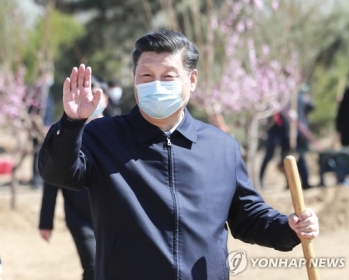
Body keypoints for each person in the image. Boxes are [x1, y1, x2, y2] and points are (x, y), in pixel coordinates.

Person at [38, 30, 319, 279]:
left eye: (168, 76)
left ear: (192, 79)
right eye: (146, 75)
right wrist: (72, 124)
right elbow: (57, 172)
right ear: (134, 79)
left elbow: (247, 217)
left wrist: (288, 227)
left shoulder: (221, 147)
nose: (156, 85)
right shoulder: (104, 136)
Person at [38, 76, 108, 280]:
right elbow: (51, 181)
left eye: (96, 94)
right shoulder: (66, 133)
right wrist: (46, 221)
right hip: (79, 215)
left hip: (109, 213)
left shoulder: (117, 132)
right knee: (93, 266)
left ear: (105, 100)